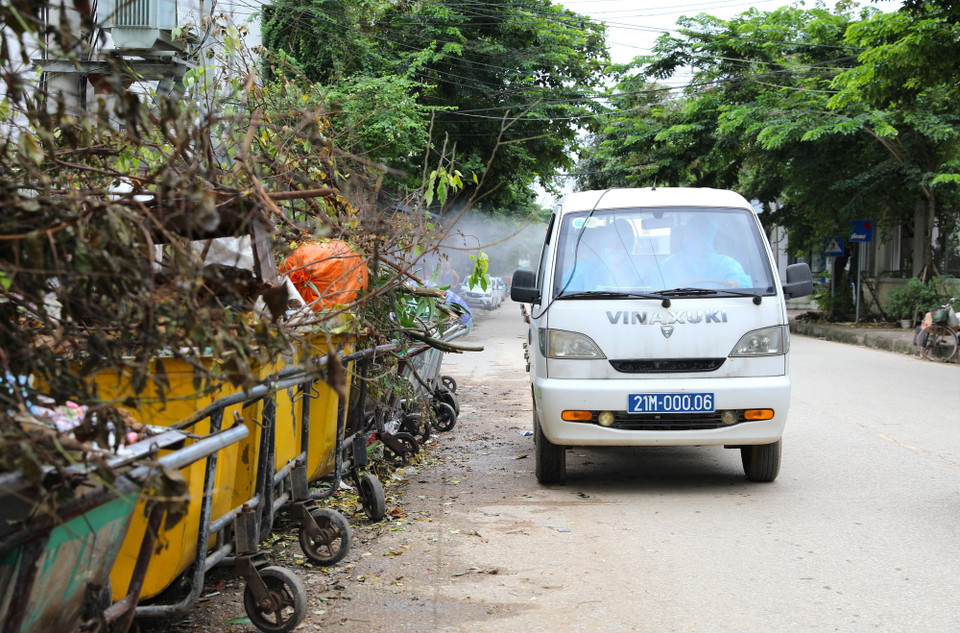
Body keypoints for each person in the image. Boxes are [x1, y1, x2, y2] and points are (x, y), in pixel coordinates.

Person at [657, 221, 751, 289]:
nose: (687, 239)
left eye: (692, 236)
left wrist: (736, 284)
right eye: (686, 236)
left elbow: (745, 284)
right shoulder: (667, 265)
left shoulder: (727, 264)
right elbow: (658, 294)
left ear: (706, 239)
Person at [561, 218, 643, 292]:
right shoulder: (583, 269)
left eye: (620, 244)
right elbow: (566, 297)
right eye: (611, 243)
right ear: (603, 243)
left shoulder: (638, 272)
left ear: (629, 246)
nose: (615, 248)